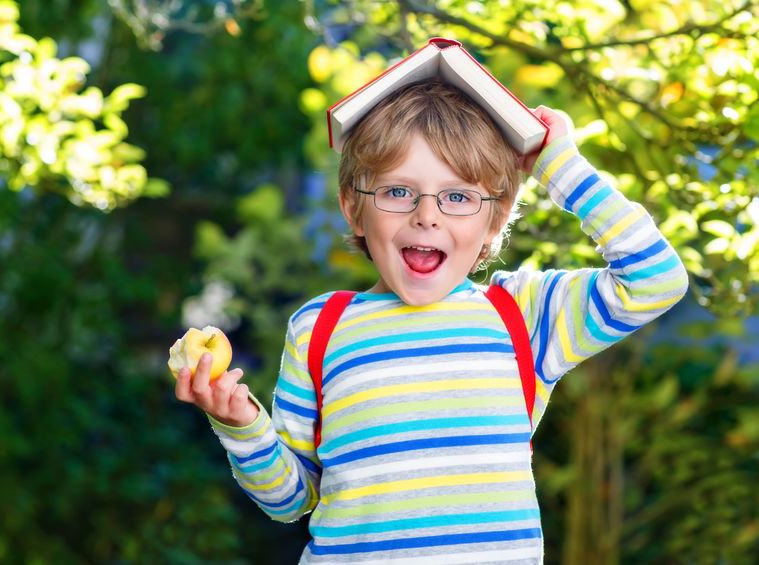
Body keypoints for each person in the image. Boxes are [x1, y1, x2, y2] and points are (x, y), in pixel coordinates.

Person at [175, 77, 688, 563]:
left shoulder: (523, 315)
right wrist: (240, 425)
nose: (427, 215)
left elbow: (656, 280)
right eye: (398, 192)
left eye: (459, 196)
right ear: (354, 208)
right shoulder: (319, 328)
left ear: (497, 217)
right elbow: (289, 501)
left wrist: (564, 170)